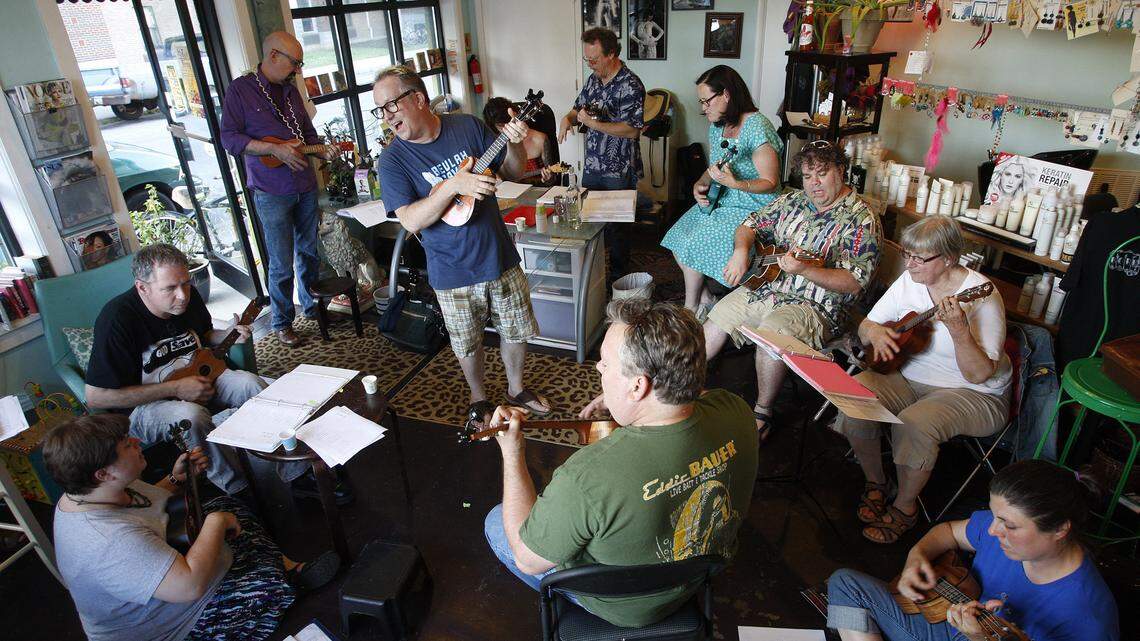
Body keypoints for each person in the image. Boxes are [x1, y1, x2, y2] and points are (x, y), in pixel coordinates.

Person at [484, 299, 758, 627]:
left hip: (626, 609)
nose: (599, 369)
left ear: (638, 385)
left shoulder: (585, 477)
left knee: (497, 521)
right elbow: (699, 397)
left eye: (605, 364)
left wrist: (512, 456)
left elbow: (527, 560)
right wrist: (624, 397)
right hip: (701, 573)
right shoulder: (738, 410)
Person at [43, 414, 340, 641]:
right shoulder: (108, 542)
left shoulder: (96, 491)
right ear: (103, 473)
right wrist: (215, 524)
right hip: (166, 626)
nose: (136, 441)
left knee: (226, 507)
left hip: (163, 563)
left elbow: (144, 507)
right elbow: (190, 586)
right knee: (262, 585)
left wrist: (175, 480)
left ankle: (284, 567)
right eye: (126, 445)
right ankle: (284, 579)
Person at [84, 244, 341, 504]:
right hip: (146, 406)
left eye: (186, 283)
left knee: (252, 385)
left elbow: (205, 335)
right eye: (170, 288)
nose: (183, 295)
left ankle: (297, 475)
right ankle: (238, 490)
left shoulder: (189, 297)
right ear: (143, 288)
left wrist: (230, 334)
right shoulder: (116, 319)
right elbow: (96, 397)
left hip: (200, 376)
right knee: (192, 415)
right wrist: (175, 389)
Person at [374, 65, 553, 423]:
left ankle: (516, 388)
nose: (386, 117)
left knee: (516, 329)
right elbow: (409, 220)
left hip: (498, 254)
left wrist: (514, 142)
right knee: (467, 343)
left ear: (418, 99)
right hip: (450, 269)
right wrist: (454, 187)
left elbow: (513, 171)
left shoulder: (467, 126)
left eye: (391, 105)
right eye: (380, 109)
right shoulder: (392, 160)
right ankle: (478, 397)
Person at [836, 216, 1012, 543]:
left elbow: (979, 373)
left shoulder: (983, 296)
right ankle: (876, 481)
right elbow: (867, 326)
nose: (910, 264)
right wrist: (877, 332)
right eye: (907, 254)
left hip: (972, 392)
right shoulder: (910, 280)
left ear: (949, 259)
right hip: (909, 373)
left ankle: (905, 507)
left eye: (920, 258)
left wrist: (959, 329)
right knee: (852, 399)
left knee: (914, 423)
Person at [703, 141, 880, 444]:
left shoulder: (861, 219)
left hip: (816, 306)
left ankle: (762, 413)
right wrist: (742, 251)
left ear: (841, 170)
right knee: (719, 315)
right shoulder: (793, 201)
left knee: (771, 334)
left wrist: (806, 270)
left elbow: (854, 282)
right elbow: (749, 225)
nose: (814, 184)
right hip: (768, 288)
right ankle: (681, 387)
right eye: (808, 176)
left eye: (822, 174)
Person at [827, 460, 1120, 640]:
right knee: (844, 583)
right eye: (993, 516)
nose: (993, 530)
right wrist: (915, 559)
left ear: (1059, 529)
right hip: (954, 626)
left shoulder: (1088, 613)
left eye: (1009, 525)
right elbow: (948, 532)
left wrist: (980, 640)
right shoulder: (998, 533)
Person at [220, 30, 334, 347]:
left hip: (305, 185)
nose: (298, 69)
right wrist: (272, 150)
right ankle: (282, 322)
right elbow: (229, 139)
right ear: (273, 55)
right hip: (271, 191)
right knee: (281, 262)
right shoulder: (240, 91)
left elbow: (307, 133)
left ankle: (312, 308)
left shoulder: (291, 90)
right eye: (294, 63)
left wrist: (321, 149)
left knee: (309, 253)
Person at [661, 65, 782, 314]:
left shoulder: (757, 127)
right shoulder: (719, 125)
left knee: (696, 242)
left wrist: (736, 184)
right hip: (725, 199)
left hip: (756, 205)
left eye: (706, 101)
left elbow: (770, 182)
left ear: (726, 94)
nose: (703, 108)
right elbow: (715, 166)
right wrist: (700, 182)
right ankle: (706, 299)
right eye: (701, 102)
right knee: (677, 236)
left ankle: (690, 308)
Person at [558, 27, 646, 279]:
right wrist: (568, 118)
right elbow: (579, 109)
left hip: (619, 169)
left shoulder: (631, 85)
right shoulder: (594, 80)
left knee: (618, 231)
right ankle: (593, 279)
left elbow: (632, 130)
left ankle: (618, 282)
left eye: (594, 60)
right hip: (593, 166)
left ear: (612, 54)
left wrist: (593, 124)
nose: (590, 65)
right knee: (591, 225)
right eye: (587, 60)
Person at [483, 97, 556, 186]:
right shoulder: (493, 145)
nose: (508, 128)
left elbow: (552, 180)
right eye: (501, 126)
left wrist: (548, 178)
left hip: (535, 192)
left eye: (508, 122)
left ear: (516, 115)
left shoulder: (540, 139)